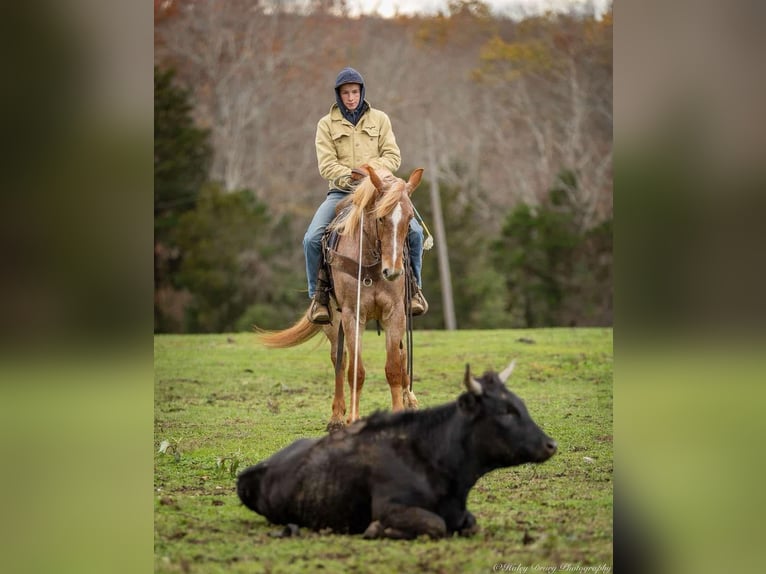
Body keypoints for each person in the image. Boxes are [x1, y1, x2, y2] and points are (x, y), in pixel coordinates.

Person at [303, 67, 428, 324]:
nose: (351, 97)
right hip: (342, 192)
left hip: (380, 191)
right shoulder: (326, 124)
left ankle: (414, 289)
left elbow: (393, 156)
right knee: (312, 238)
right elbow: (326, 165)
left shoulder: (380, 119)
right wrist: (353, 176)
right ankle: (319, 297)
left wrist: (373, 174)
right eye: (346, 93)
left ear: (362, 92)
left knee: (414, 232)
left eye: (355, 92)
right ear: (338, 95)